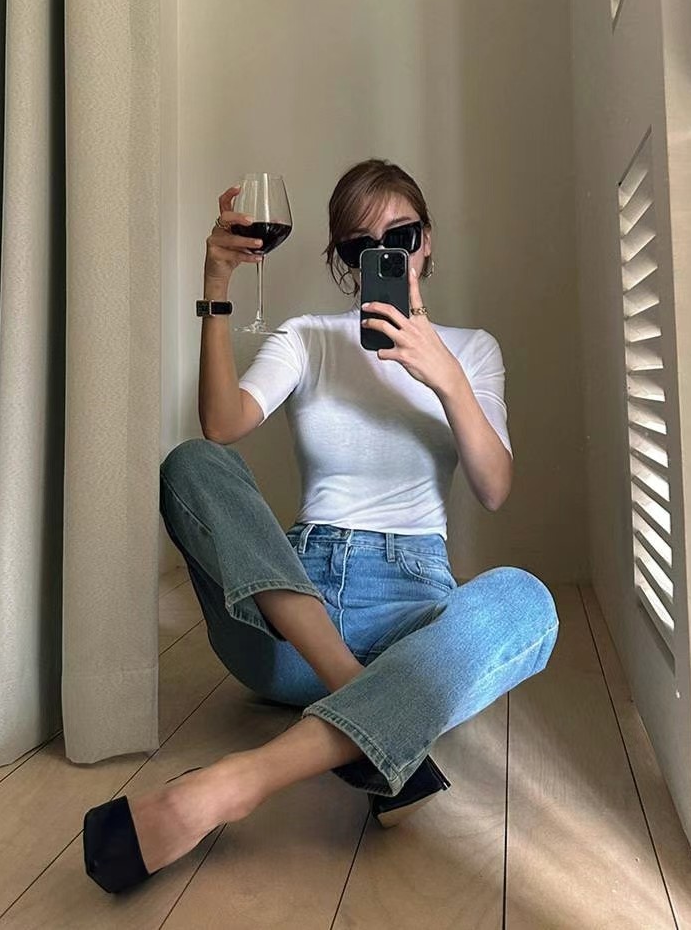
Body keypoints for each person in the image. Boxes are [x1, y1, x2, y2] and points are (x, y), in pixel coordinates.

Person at [83, 158, 559, 895]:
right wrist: (216, 286)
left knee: (528, 600)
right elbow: (222, 426)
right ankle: (368, 708)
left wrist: (445, 376)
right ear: (341, 260)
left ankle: (233, 784)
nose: (384, 256)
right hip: (291, 621)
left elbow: (494, 488)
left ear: (427, 241)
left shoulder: (472, 350)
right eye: (360, 246)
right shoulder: (307, 338)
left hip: (412, 619)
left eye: (401, 236)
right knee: (193, 464)